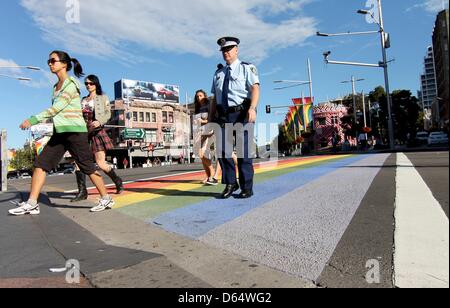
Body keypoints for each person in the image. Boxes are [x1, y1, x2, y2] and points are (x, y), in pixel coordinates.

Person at [9, 50, 114, 215]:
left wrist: (33, 119)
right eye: (48, 61)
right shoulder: (55, 87)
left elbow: (57, 108)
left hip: (75, 132)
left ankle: (106, 198)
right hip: (60, 133)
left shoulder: (71, 84)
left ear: (64, 64)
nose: (50, 64)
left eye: (53, 61)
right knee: (40, 165)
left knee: (87, 167)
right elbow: (58, 113)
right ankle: (32, 203)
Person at [210, 37, 260, 199]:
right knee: (223, 151)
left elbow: (255, 89)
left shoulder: (247, 68)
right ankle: (231, 183)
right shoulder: (218, 74)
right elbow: (214, 98)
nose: (226, 52)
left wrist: (252, 108)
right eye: (223, 50)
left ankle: (247, 186)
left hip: (242, 113)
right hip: (223, 115)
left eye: (229, 49)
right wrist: (211, 118)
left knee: (243, 152)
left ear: (236, 50)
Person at [71, 75, 124, 202]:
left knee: (101, 163)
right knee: (78, 163)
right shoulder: (83, 100)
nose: (88, 85)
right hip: (83, 133)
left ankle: (117, 181)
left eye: (90, 83)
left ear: (96, 84)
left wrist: (99, 121)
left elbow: (107, 113)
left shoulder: (102, 97)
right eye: (86, 84)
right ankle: (82, 192)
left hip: (96, 131)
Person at [193, 90, 218, 186]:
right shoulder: (197, 107)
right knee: (201, 154)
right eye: (197, 96)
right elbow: (197, 121)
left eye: (200, 95)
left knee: (202, 153)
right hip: (200, 132)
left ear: (204, 96)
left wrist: (203, 121)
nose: (199, 98)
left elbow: (212, 118)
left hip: (210, 131)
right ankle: (208, 176)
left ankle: (212, 174)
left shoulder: (209, 104)